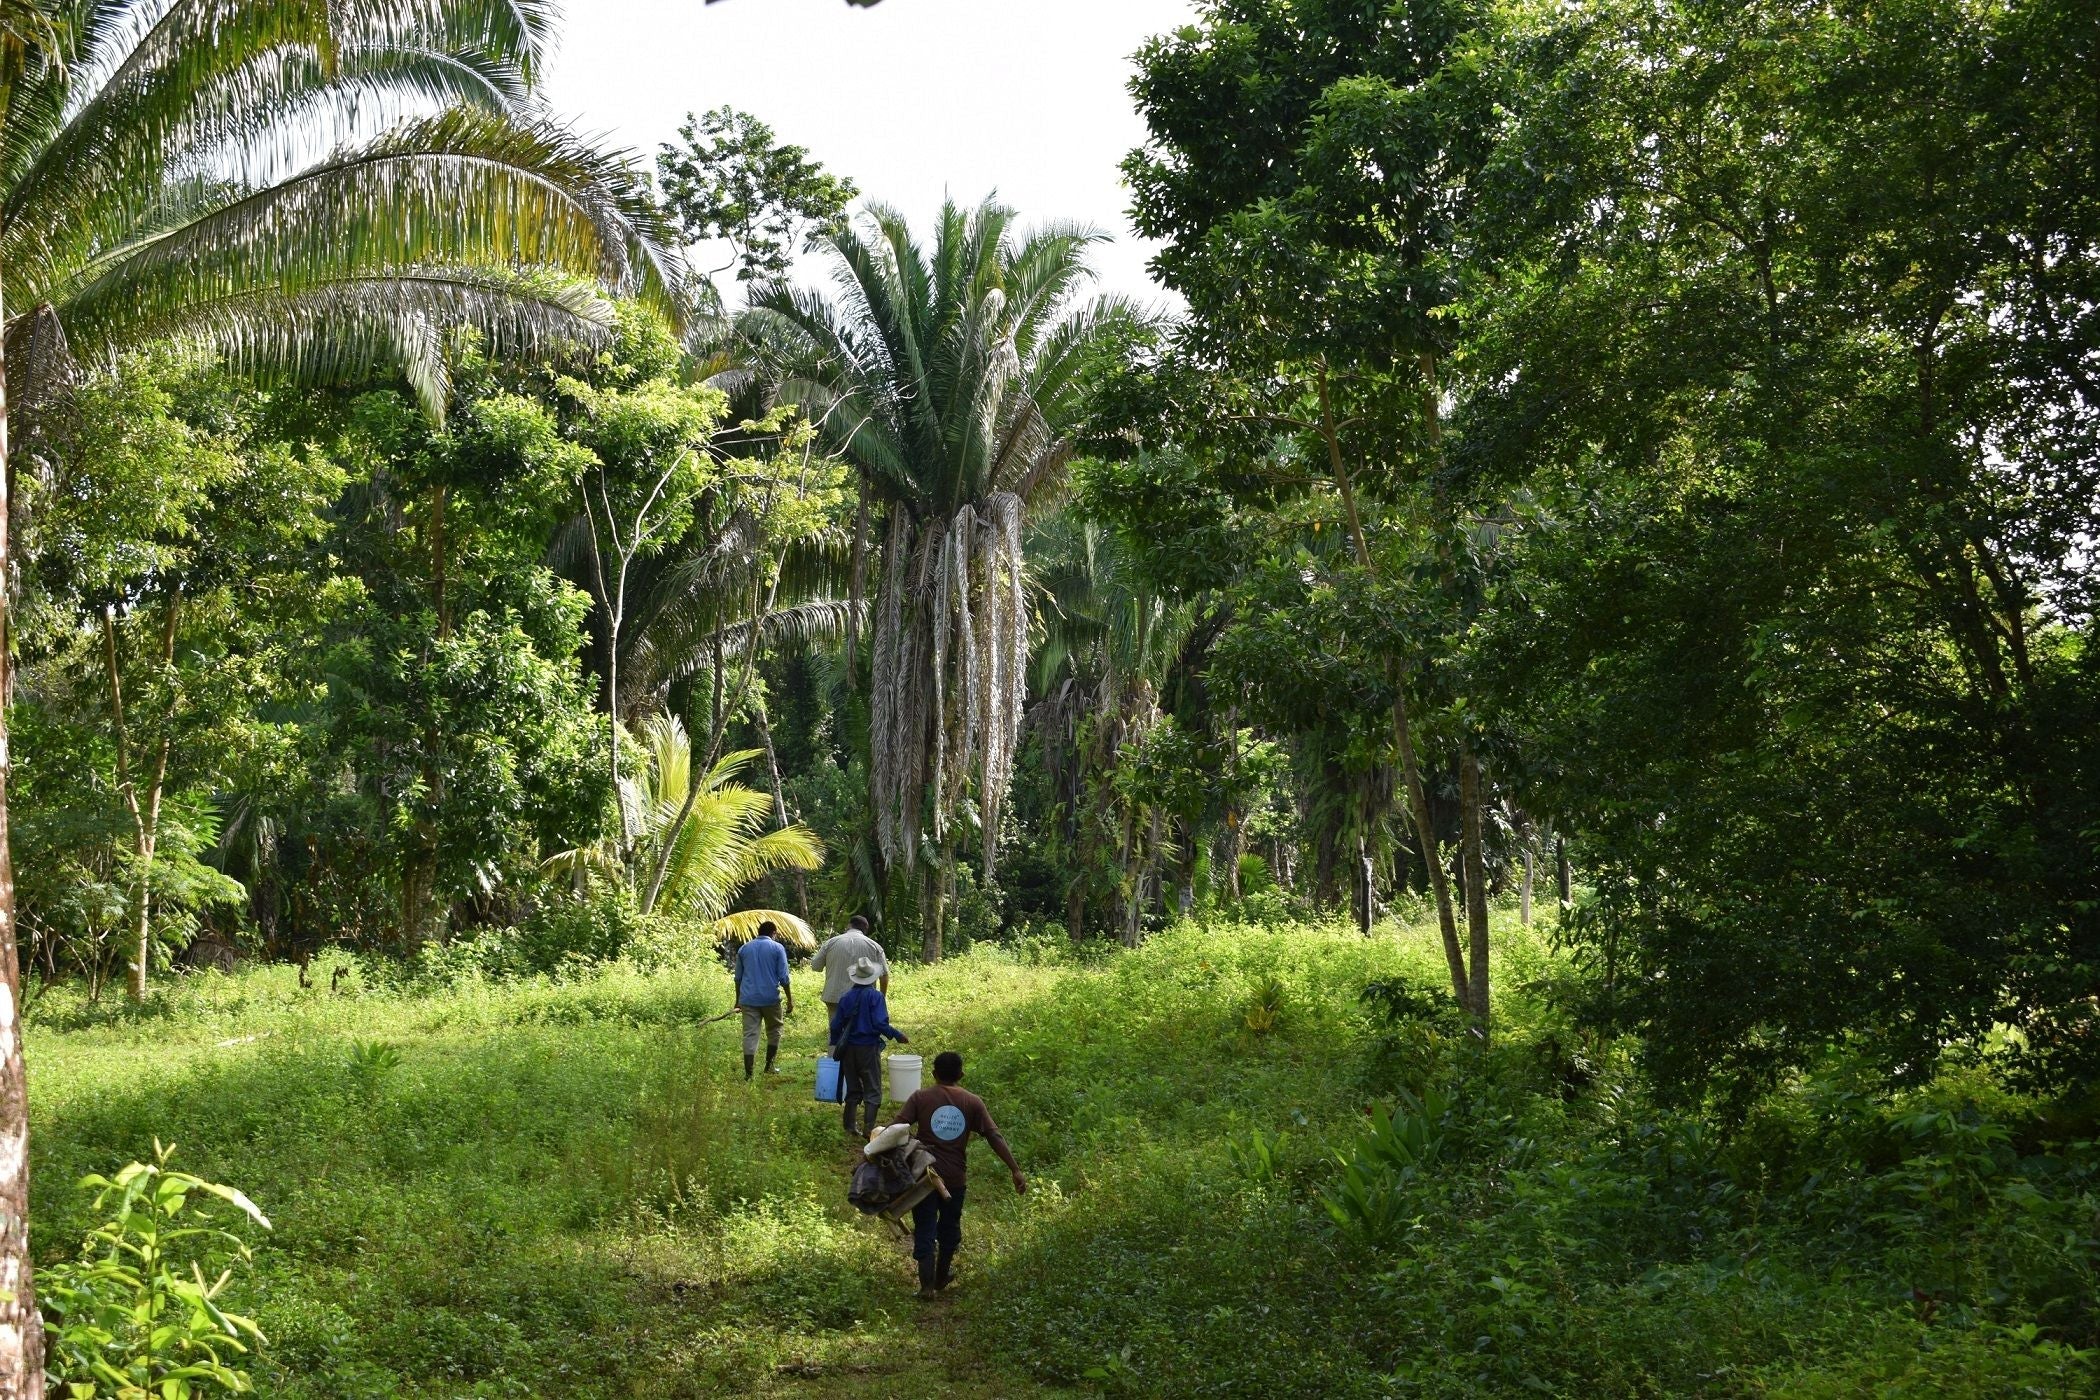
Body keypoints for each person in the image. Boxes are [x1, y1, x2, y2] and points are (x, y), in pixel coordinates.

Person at [890, 1050, 1026, 1299]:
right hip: (955, 1179)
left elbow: (896, 1129)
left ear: (933, 1074)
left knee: (925, 1227)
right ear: (961, 1074)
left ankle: (927, 1287)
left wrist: (874, 1150)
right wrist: (1015, 1169)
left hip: (924, 1177)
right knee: (950, 1227)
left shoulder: (920, 1097)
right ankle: (941, 1276)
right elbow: (994, 1136)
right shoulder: (972, 1101)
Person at [829, 957, 907, 1139]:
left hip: (848, 1049)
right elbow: (880, 1023)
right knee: (872, 1088)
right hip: (868, 1048)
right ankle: (868, 1129)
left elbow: (835, 1026)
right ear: (872, 978)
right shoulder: (875, 996)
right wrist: (896, 1034)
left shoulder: (846, 997)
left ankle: (849, 1126)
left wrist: (835, 1045)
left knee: (853, 1086)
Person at [731, 920, 793, 1080]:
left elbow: (738, 978)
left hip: (748, 999)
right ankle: (769, 1066)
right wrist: (789, 999)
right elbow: (784, 978)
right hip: (770, 998)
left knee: (750, 1034)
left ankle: (749, 1074)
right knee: (774, 1030)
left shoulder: (744, 948)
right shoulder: (777, 948)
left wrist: (738, 1000)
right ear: (773, 933)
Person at [809, 914, 889, 1010]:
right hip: (863, 1000)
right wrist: (881, 999)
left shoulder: (831, 943)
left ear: (849, 926)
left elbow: (815, 966)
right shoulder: (874, 946)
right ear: (865, 930)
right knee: (861, 1024)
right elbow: (884, 976)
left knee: (836, 1024)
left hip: (834, 997)